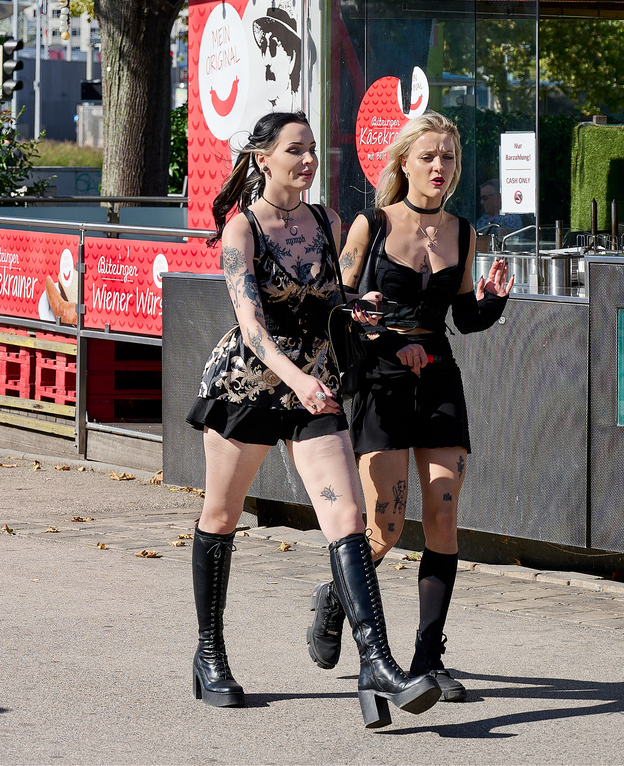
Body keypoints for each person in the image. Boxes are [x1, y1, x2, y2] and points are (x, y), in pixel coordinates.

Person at [186, 110, 440, 727]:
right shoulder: (242, 230)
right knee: (220, 517)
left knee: (348, 517)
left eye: (313, 149)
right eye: (295, 150)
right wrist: (295, 380)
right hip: (249, 386)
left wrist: (359, 309)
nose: (308, 160)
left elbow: (333, 298)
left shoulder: (326, 220)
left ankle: (376, 662)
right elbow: (251, 326)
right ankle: (210, 651)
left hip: (315, 388)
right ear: (263, 157)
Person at [305, 111, 512, 702]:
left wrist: (493, 300)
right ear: (403, 162)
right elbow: (338, 303)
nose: (439, 167)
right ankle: (333, 595)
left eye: (447, 157)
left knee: (444, 512)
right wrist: (377, 328)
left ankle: (429, 655)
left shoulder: (463, 231)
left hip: (438, 380)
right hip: (380, 381)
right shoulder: (371, 225)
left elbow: (464, 319)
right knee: (385, 528)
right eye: (428, 157)